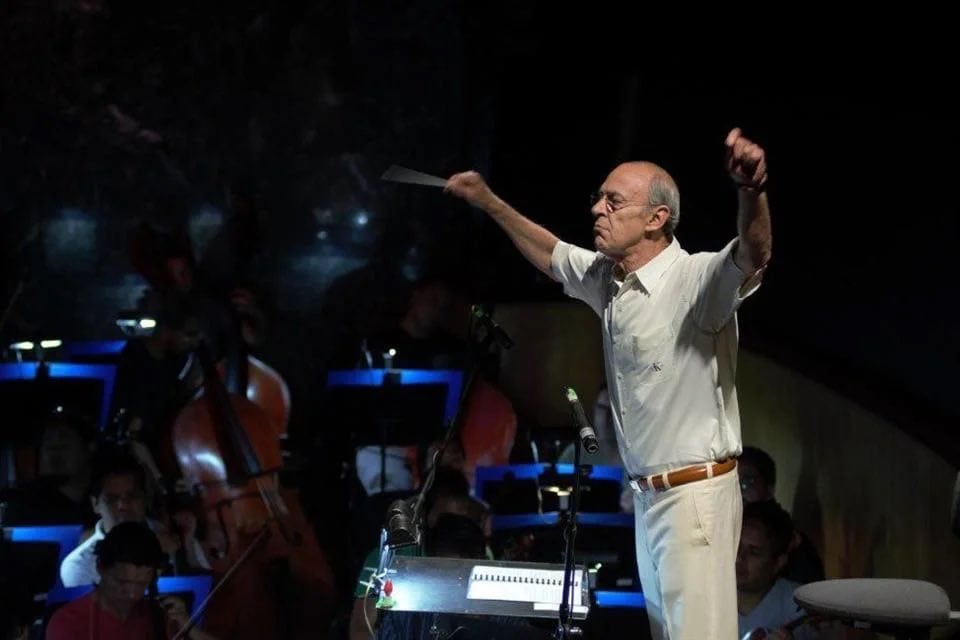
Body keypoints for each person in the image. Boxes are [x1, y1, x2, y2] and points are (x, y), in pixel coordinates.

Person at [445, 127, 772, 639]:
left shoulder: (695, 282)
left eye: (614, 201)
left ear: (656, 219)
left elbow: (753, 255)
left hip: (695, 498)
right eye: (597, 198)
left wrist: (752, 192)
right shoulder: (609, 279)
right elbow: (552, 255)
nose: (597, 209)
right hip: (648, 498)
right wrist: (489, 202)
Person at [46, 521, 218, 640]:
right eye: (122, 582)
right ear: (100, 567)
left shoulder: (158, 615)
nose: (133, 595)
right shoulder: (69, 621)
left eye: (142, 584)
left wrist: (189, 628)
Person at [60, 452, 208, 588]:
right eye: (112, 499)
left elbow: (204, 591)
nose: (123, 505)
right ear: (95, 505)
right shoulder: (79, 565)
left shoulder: (173, 532)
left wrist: (187, 549)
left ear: (145, 498)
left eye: (132, 496)